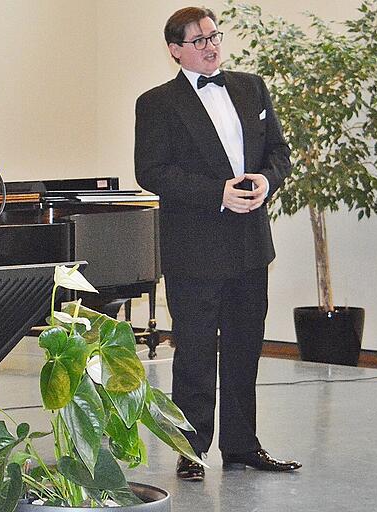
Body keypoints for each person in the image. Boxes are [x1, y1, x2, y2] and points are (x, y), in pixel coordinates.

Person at [134, 7, 301, 481]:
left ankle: (243, 446)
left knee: (246, 347)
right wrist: (217, 193)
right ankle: (191, 447)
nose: (210, 45)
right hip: (195, 247)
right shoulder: (157, 103)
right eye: (199, 40)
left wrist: (267, 182)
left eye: (214, 35)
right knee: (195, 352)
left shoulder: (251, 87)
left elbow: (279, 153)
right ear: (175, 50)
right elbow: (152, 171)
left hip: (250, 244)